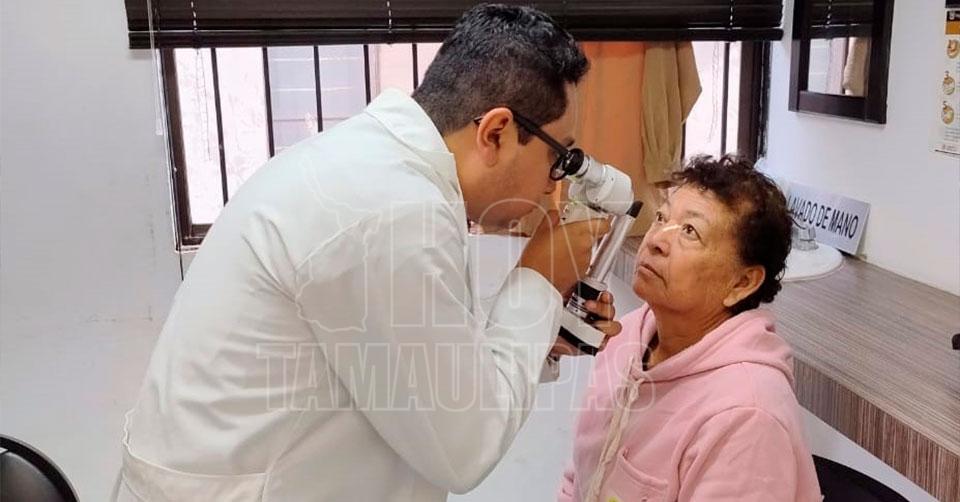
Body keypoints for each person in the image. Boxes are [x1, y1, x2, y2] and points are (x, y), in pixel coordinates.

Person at [114, 5, 622, 501]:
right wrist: (538, 276)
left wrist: (537, 334)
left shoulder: (374, 170)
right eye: (560, 157)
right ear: (496, 133)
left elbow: (412, 368)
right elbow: (466, 447)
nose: (553, 183)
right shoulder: (391, 211)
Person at [558, 156, 821, 502]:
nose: (656, 240)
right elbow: (579, 480)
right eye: (662, 217)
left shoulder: (747, 415)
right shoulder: (626, 336)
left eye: (689, 232)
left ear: (741, 283)